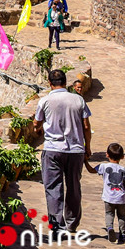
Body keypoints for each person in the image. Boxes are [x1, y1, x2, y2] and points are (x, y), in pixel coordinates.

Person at [33, 69, 92, 233]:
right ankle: (72, 223)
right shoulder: (78, 100)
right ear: (66, 82)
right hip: (75, 150)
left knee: (53, 188)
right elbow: (86, 126)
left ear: (50, 83)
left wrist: (38, 129)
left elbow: (36, 123)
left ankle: (58, 226)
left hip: (53, 149)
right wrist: (87, 147)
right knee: (74, 186)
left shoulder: (44, 101)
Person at [85, 142, 125, 243]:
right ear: (122, 157)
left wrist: (85, 161)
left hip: (108, 197)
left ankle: (110, 228)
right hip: (121, 198)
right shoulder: (124, 170)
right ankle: (122, 235)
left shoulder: (103, 167)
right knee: (121, 216)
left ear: (107, 155)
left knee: (109, 214)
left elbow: (91, 170)